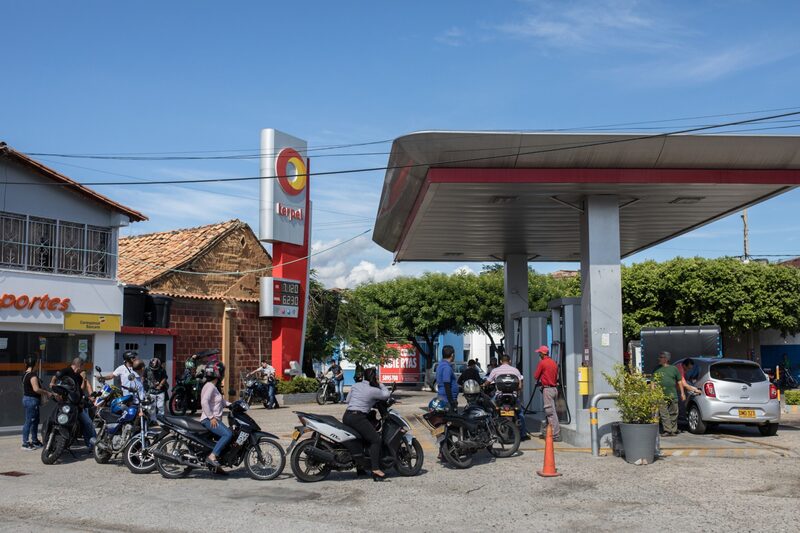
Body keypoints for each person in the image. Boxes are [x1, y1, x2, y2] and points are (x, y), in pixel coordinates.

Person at [343, 367, 391, 481]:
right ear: (374, 377)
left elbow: (347, 400)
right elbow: (386, 395)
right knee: (375, 440)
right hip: (358, 418)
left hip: (347, 416)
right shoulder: (373, 390)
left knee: (360, 439)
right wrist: (381, 384)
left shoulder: (355, 385)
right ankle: (375, 469)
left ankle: (360, 468)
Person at [52, 357, 96, 450]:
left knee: (88, 423)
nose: (83, 369)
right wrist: (52, 385)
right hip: (65, 402)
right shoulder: (66, 370)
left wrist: (84, 379)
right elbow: (56, 376)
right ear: (79, 365)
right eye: (83, 366)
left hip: (76, 403)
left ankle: (93, 446)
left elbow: (81, 389)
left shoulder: (79, 376)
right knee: (53, 417)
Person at [485, 353, 529, 440]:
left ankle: (491, 432)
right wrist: (517, 392)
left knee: (490, 410)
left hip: (499, 396)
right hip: (513, 396)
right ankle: (523, 434)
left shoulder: (495, 370)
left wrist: (483, 385)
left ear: (501, 361)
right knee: (520, 413)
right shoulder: (516, 370)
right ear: (510, 361)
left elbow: (488, 382)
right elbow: (520, 386)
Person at [200, 361, 232, 474]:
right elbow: (204, 402)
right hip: (208, 420)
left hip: (212, 419)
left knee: (221, 441)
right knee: (228, 434)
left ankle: (217, 467)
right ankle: (212, 456)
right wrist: (211, 417)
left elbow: (220, 401)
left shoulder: (212, 386)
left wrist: (231, 405)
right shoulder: (210, 386)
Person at [22, 355, 53, 450]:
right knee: (29, 421)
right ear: (35, 364)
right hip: (32, 400)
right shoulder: (32, 376)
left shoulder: (25, 374)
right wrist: (47, 392)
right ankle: (25, 443)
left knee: (34, 421)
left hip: (28, 399)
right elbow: (36, 389)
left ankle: (35, 441)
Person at [533, 345, 560, 442]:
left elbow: (536, 376)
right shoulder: (554, 362)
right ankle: (548, 431)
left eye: (539, 353)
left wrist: (541, 380)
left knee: (550, 412)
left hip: (547, 390)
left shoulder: (543, 363)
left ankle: (555, 435)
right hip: (554, 390)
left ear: (542, 353)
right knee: (552, 412)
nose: (539, 355)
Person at [654, 351, 684, 437]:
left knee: (674, 413)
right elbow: (653, 382)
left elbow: (679, 381)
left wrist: (682, 393)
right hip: (661, 395)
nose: (659, 359)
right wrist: (653, 393)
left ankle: (673, 430)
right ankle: (667, 430)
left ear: (666, 359)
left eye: (661, 357)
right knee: (664, 414)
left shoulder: (674, 369)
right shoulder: (657, 369)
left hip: (672, 395)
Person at [436, 346, 459, 411]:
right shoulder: (446, 367)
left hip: (443, 397)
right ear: (452, 354)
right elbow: (447, 385)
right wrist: (451, 402)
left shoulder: (440, 365)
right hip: (447, 400)